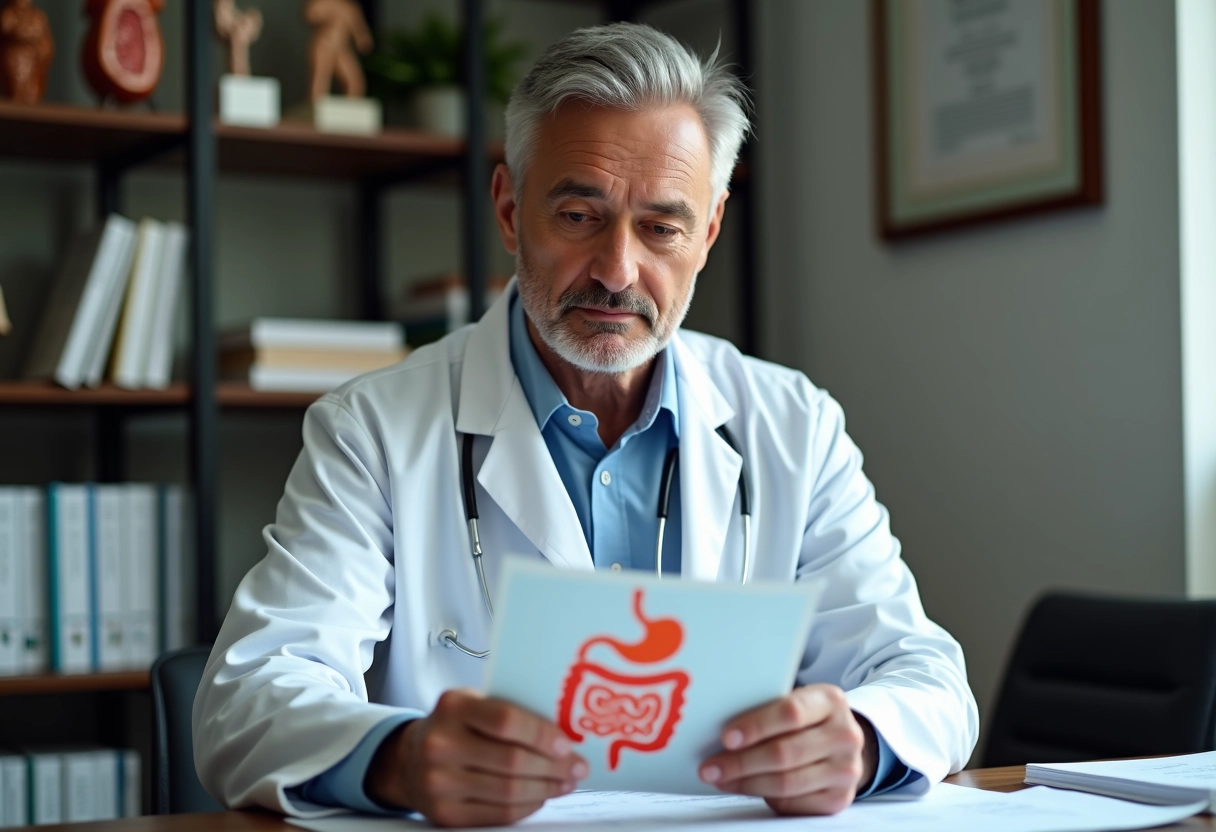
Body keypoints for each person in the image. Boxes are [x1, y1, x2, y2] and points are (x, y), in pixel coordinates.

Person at [193, 22, 978, 826]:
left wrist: (861, 739)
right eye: (578, 215)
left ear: (707, 233)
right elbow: (247, 703)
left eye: (663, 228)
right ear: (508, 209)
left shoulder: (792, 425)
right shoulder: (374, 430)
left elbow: (927, 677)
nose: (617, 270)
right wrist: (403, 759)